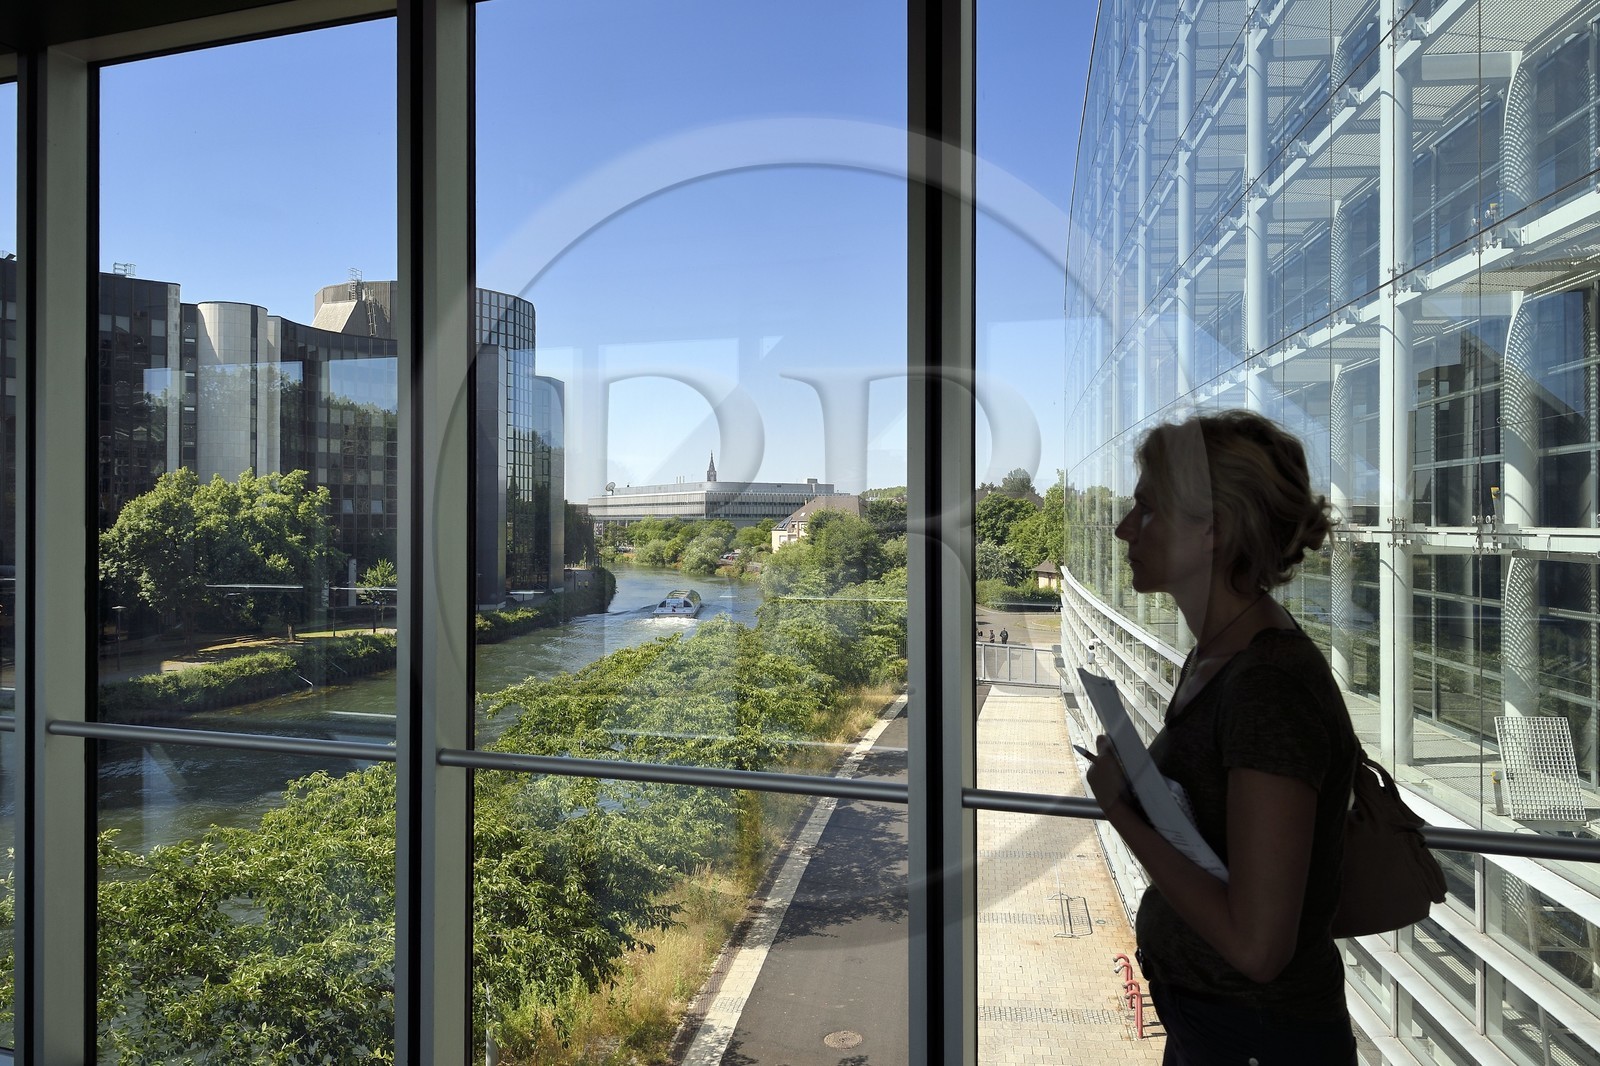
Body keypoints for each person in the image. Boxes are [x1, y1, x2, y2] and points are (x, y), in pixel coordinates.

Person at [1085, 410, 1358, 1065]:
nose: (1125, 528)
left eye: (1147, 508)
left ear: (1212, 529)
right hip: (1218, 1030)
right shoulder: (1218, 656)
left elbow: (1258, 949)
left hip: (1256, 1041)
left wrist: (1119, 809)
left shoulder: (1267, 686)